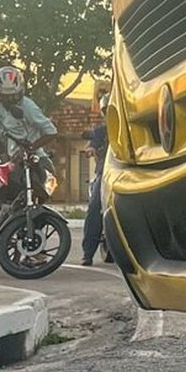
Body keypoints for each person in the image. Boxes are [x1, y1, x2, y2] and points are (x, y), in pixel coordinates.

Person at [0, 66, 57, 163]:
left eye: (13, 96)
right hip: (14, 159)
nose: (9, 100)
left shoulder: (29, 107)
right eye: (4, 97)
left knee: (48, 173)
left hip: (35, 157)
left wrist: (30, 148)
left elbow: (51, 131)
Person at [80, 93, 109, 266]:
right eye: (106, 111)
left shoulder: (128, 128)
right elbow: (90, 144)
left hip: (127, 174)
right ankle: (88, 253)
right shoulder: (101, 132)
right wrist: (91, 150)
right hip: (105, 174)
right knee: (95, 206)